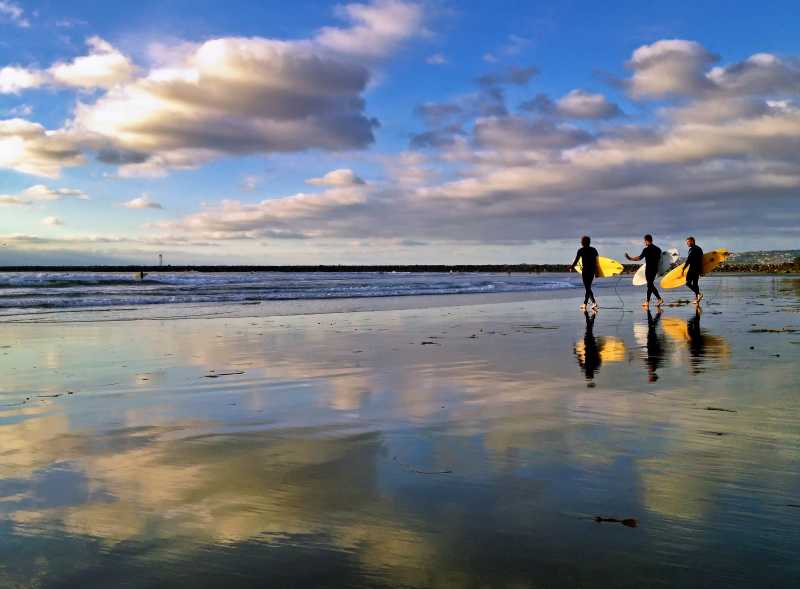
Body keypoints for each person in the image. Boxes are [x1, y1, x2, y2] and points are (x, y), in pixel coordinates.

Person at [625, 234, 664, 308]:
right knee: (650, 285)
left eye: (644, 241)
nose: (644, 242)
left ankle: (659, 299)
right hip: (655, 269)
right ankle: (648, 301)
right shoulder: (658, 249)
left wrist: (630, 258)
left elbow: (639, 258)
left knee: (649, 285)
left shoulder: (646, 249)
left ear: (646, 241)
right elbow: (660, 260)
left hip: (649, 269)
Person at [570, 235, 599, 310]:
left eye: (581, 241)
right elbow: (597, 262)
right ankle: (585, 304)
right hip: (592, 270)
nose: (581, 242)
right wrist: (597, 271)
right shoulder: (594, 250)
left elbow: (576, 261)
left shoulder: (581, 250)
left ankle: (594, 303)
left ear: (583, 242)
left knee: (587, 288)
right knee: (588, 287)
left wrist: (571, 267)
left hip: (585, 271)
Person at [681, 236, 704, 303]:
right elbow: (702, 260)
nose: (687, 244)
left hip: (693, 269)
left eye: (688, 242)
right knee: (695, 284)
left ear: (692, 241)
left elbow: (688, 260)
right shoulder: (699, 249)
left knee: (688, 283)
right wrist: (701, 270)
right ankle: (697, 298)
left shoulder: (693, 249)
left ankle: (699, 294)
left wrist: (683, 268)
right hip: (698, 269)